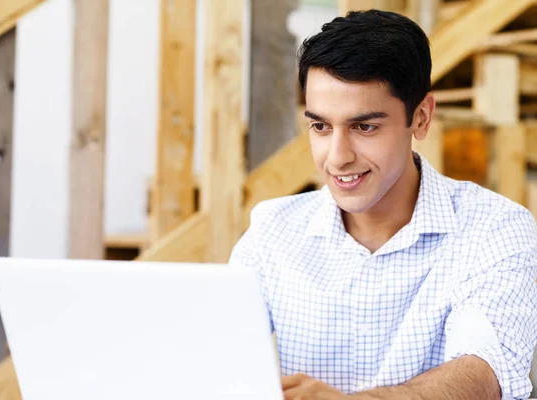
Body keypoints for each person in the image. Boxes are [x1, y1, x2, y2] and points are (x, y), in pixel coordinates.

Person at [229, 9, 537, 400]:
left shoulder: (494, 228)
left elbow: (484, 373)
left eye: (364, 126)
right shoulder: (273, 229)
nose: (337, 157)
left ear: (421, 118)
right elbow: (215, 352)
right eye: (321, 126)